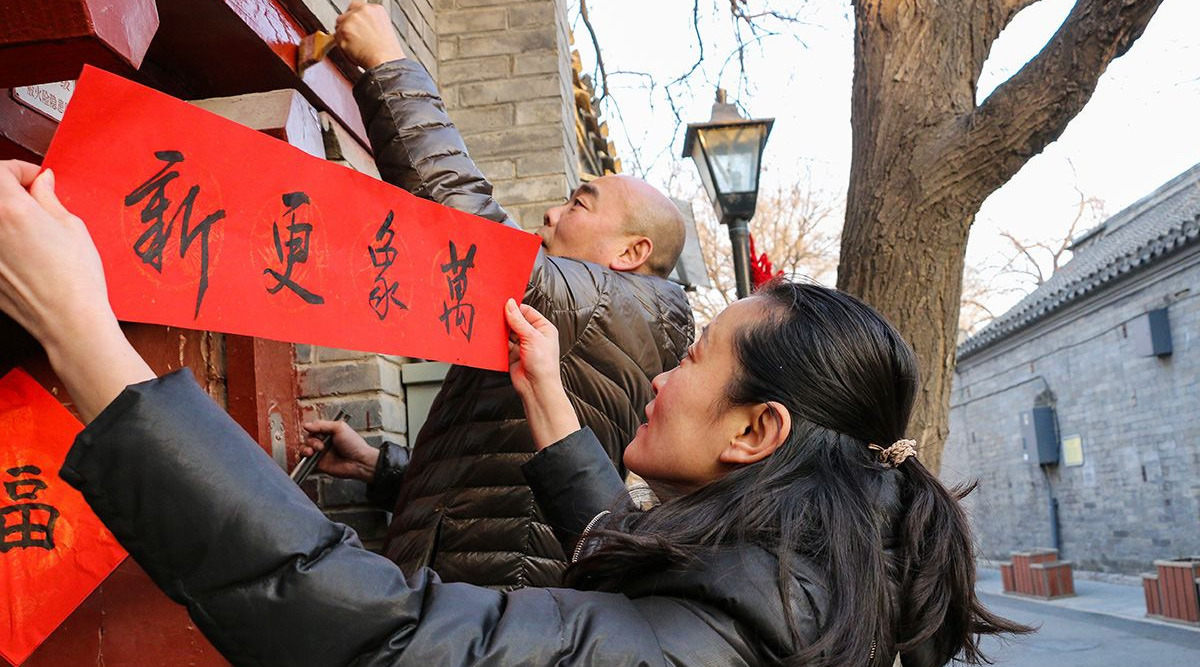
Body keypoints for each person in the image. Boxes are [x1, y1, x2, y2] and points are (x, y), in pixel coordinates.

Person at [0, 160, 1027, 666]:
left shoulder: (702, 646)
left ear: (756, 432)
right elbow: (642, 570)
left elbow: (378, 638)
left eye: (695, 361)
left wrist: (84, 336)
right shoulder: (796, 590)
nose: (663, 377)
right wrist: (545, 403)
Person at [297, 1, 694, 589]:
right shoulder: (588, 318)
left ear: (631, 252)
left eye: (579, 204)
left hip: (498, 607)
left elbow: (467, 232)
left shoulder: (608, 308)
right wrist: (380, 468)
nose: (552, 213)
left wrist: (388, 63)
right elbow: (500, 488)